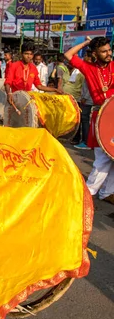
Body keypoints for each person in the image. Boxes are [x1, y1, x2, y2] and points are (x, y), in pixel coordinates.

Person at [64, 36, 114, 203]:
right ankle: (88, 192)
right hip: (100, 116)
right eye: (103, 51)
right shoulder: (88, 67)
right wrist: (86, 43)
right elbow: (69, 55)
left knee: (112, 156)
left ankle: (107, 192)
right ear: (95, 53)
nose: (108, 53)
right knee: (102, 156)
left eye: (109, 50)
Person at [74, 50, 93, 150]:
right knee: (85, 120)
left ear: (90, 58)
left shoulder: (90, 69)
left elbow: (91, 86)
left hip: (88, 99)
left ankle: (86, 142)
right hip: (86, 98)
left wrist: (85, 97)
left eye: (85, 55)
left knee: (85, 120)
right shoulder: (89, 69)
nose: (84, 57)